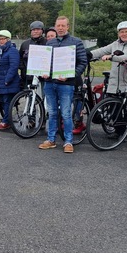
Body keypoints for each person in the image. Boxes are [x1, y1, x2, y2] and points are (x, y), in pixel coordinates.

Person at [39, 16, 88, 153]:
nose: (60, 28)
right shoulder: (50, 43)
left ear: (67, 27)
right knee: (53, 113)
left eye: (63, 25)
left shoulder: (76, 42)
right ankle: (51, 140)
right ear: (55, 27)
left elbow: (83, 63)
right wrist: (43, 72)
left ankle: (68, 141)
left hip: (66, 84)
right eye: (58, 25)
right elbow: (45, 62)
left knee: (66, 113)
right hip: (49, 83)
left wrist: (69, 75)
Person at [0, 30, 20, 130]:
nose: (1, 41)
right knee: (4, 101)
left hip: (9, 82)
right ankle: (6, 120)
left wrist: (7, 79)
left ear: (8, 39)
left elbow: (14, 66)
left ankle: (6, 122)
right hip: (1, 81)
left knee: (7, 101)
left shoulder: (12, 50)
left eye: (3, 39)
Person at [19, 21, 47, 86]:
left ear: (42, 31)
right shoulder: (25, 44)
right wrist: (23, 69)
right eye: (33, 30)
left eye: (38, 29)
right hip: (28, 77)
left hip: (43, 77)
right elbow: (20, 58)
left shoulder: (47, 43)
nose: (35, 31)